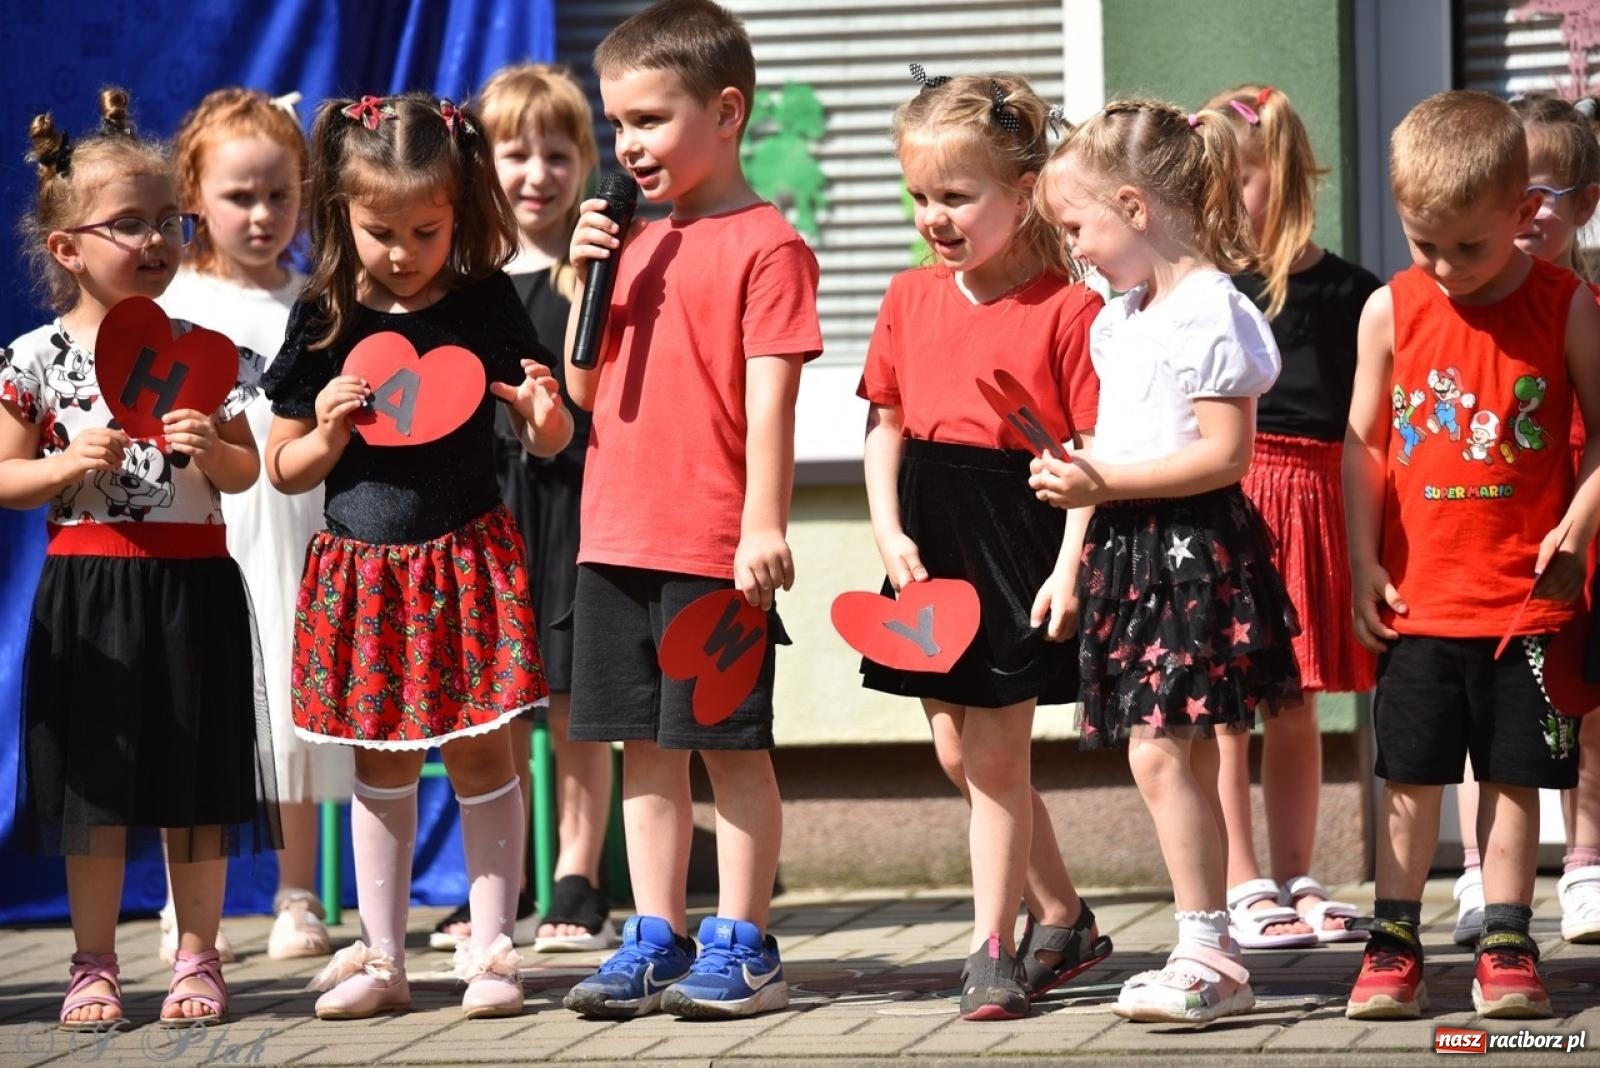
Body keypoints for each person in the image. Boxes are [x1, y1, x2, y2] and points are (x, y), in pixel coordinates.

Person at [261, 91, 573, 1022]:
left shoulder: (483, 303)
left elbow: (552, 437)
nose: (402, 251)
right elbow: (282, 469)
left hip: (466, 563)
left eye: (426, 229)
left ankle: (492, 952)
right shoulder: (322, 315)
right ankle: (385, 957)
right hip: (364, 571)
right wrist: (325, 430)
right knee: (382, 765)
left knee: (484, 756)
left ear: (459, 211)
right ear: (341, 216)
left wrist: (544, 415)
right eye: (379, 229)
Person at [559, 0, 821, 1021]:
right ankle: (653, 936)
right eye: (616, 124)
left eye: (650, 120)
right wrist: (588, 279)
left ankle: (745, 941)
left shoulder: (768, 247)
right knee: (643, 748)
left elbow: (772, 404)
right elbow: (590, 397)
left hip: (713, 546)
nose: (627, 146)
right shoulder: (627, 244)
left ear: (725, 111)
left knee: (729, 745)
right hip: (614, 537)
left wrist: (763, 523)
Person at [0, 87, 280, 1030]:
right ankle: (92, 965)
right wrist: (60, 463)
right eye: (130, 223)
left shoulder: (212, 352)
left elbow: (248, 474)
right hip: (91, 589)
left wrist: (217, 448)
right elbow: (2, 478)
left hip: (193, 584)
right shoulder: (32, 359)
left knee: (196, 785)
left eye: (171, 220)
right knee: (99, 788)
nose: (157, 239)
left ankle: (198, 957)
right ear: (67, 247)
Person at [1032, 97, 1301, 1025]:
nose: (1076, 251)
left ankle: (1209, 950)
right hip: (1129, 548)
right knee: (1158, 751)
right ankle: (1207, 944)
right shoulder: (1124, 315)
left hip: (1192, 553)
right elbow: (1102, 443)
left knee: (1158, 750)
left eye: (1078, 227)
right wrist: (1072, 550)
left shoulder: (1210, 312)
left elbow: (1225, 457)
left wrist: (1104, 479)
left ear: (1135, 209)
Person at [1342, 90, 1600, 1020]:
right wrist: (1363, 559)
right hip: (1419, 598)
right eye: (1424, 245)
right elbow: (1364, 442)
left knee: (1514, 777)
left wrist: (1579, 517)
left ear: (1525, 212)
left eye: (1469, 247)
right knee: (1410, 777)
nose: (1445, 268)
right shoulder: (1388, 311)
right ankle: (1394, 941)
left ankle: (1505, 940)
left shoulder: (1567, 307)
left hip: (1525, 606)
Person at [858, 70, 1109, 1021]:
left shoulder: (1069, 311)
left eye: (957, 196)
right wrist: (885, 529)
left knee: (999, 761)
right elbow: (885, 422)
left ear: (1024, 192)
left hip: (1019, 532)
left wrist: (1068, 563)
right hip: (927, 534)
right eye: (920, 196)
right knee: (961, 758)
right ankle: (1066, 916)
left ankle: (992, 948)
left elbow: (1087, 454)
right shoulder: (908, 297)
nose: (935, 216)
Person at [430, 62, 618, 956]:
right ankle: (492, 883)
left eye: (556, 152)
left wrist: (590, 275)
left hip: (577, 503)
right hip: (486, 507)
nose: (537, 173)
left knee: (578, 699)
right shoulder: (465, 286)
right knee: (496, 702)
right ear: (481, 165)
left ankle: (579, 881)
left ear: (583, 163)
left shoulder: (592, 278)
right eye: (516, 153)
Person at [160, 86, 351, 964]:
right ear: (193, 196)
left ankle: (297, 892)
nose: (263, 214)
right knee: (198, 709)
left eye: (280, 195)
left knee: (294, 705)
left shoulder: (312, 303)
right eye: (240, 196)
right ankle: (182, 904)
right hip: (205, 529)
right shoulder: (169, 302)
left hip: (294, 531)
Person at [1205, 83, 1378, 949]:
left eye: (1241, 178)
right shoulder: (1207, 293)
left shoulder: (1354, 292)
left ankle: (1300, 873)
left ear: (1285, 174)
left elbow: (1366, 429)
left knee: (1297, 699)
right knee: (1232, 701)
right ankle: (1241, 881)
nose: (1228, 198)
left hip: (1311, 499)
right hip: (1235, 495)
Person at [1450, 93, 1600, 952]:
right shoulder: (1463, 295)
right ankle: (1478, 874)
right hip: (1494, 528)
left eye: (1551, 189)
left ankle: (1584, 864)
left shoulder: (1581, 301)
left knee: (1584, 698)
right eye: (1516, 185)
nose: (1531, 206)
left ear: (1585, 202)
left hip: (1579, 519)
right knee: (1485, 700)